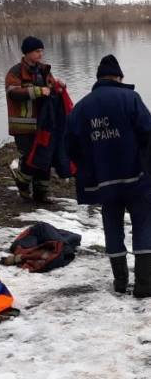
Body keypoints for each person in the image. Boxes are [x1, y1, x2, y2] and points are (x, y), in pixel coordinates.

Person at [65, 54, 151, 297]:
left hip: (103, 182)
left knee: (112, 228)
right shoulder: (131, 98)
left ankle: (120, 282)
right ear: (119, 77)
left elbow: (70, 145)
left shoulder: (82, 108)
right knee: (143, 226)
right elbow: (147, 132)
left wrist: (88, 166)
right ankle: (145, 284)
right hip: (137, 178)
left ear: (99, 79)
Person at [5, 36, 64, 202]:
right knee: (30, 159)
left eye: (41, 51)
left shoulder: (44, 70)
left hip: (44, 123)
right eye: (37, 51)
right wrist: (38, 91)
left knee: (44, 158)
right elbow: (13, 93)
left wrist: (59, 85)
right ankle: (23, 185)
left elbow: (51, 87)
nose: (41, 54)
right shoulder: (15, 72)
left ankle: (41, 195)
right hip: (23, 126)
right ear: (27, 52)